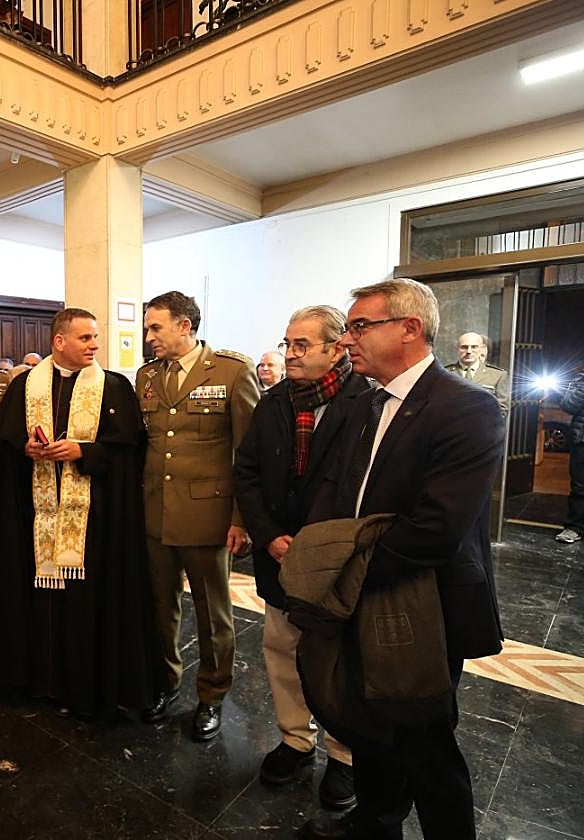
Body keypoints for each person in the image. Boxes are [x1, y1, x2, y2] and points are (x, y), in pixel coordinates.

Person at [300, 278, 505, 840]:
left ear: (410, 328)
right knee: (368, 726)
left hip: (423, 601)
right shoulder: (368, 403)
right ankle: (376, 825)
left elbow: (437, 530)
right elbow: (338, 489)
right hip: (363, 589)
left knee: (426, 742)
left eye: (359, 326)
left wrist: (344, 574)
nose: (347, 340)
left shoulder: (467, 407)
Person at [0, 308, 156, 718]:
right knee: (37, 601)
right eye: (85, 338)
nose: (95, 344)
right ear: (59, 342)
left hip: (94, 524)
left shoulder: (113, 387)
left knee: (85, 604)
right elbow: (1, 447)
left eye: (95, 337)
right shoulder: (25, 386)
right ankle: (36, 679)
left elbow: (130, 453)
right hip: (34, 517)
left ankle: (83, 685)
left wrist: (84, 451)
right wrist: (25, 449)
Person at [233, 305, 370, 812]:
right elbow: (247, 472)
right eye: (287, 344)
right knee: (281, 647)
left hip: (334, 557)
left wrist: (314, 546)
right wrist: (268, 535)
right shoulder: (273, 402)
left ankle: (344, 754)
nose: (290, 354)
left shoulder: (366, 401)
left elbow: (363, 484)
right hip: (278, 552)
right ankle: (295, 739)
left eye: (302, 345)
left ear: (335, 350)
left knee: (338, 659)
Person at [138, 291, 259, 740]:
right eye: (148, 329)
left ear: (184, 326)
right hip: (156, 512)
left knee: (213, 615)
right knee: (161, 607)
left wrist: (241, 519)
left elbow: (248, 454)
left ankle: (212, 694)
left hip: (208, 517)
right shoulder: (148, 376)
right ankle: (166, 682)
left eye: (156, 328)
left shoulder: (231, 372)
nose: (149, 337)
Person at [446, 331, 510, 415]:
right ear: (457, 349)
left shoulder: (498, 376)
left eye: (474, 347)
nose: (469, 351)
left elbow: (501, 409)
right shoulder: (445, 374)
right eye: (464, 347)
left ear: (481, 349)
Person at [556, 367, 584, 544]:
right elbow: (568, 405)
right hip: (582, 439)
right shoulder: (581, 379)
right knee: (580, 486)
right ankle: (574, 527)